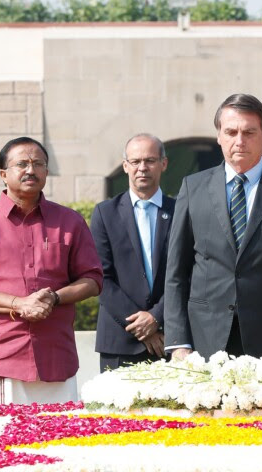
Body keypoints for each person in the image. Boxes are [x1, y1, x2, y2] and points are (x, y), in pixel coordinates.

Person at [164, 93, 262, 361]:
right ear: (219, 135)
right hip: (204, 339)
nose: (239, 141)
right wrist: (178, 341)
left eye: (249, 132)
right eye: (231, 132)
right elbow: (176, 272)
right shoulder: (193, 188)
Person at [0, 137, 102, 404]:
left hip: (57, 358)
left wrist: (54, 298)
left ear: (46, 171)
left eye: (38, 164)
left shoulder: (70, 221)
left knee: (64, 442)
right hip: (2, 359)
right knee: (3, 442)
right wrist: (19, 304)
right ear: (3, 174)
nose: (30, 170)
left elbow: (91, 279)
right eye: (21, 164)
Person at [91, 134, 175, 372]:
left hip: (168, 341)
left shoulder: (181, 211)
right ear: (125, 166)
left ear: (163, 164)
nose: (142, 168)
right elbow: (100, 278)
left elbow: (188, 273)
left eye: (149, 160)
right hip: (119, 342)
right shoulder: (105, 213)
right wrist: (141, 326)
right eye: (135, 161)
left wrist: (156, 317)